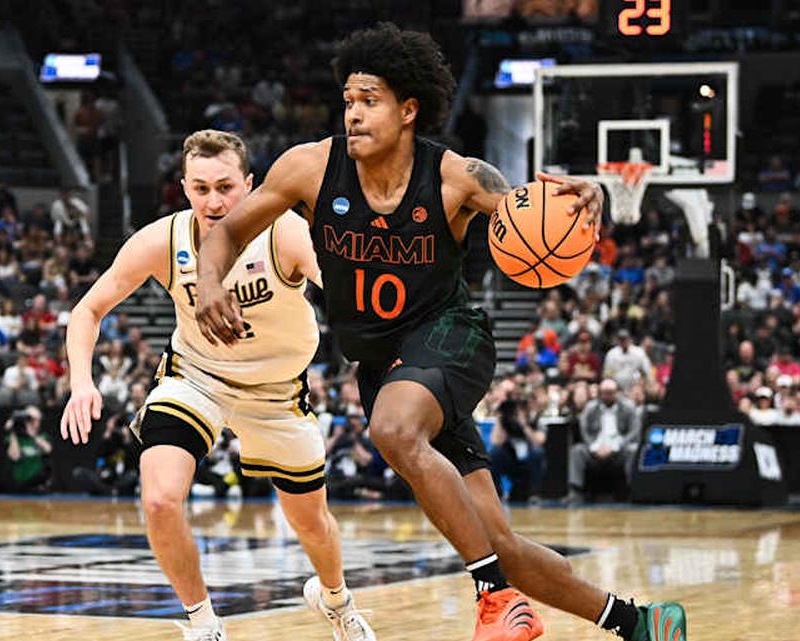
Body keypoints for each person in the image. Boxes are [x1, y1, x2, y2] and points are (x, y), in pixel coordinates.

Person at [194, 23, 684, 641]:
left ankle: (492, 600)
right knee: (495, 537)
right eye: (348, 100)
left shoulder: (457, 177)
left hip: (450, 337)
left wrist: (584, 197)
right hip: (386, 367)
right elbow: (228, 232)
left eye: (369, 100)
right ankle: (640, 622)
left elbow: (529, 210)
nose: (353, 113)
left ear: (408, 109)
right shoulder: (309, 168)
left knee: (393, 429)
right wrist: (210, 282)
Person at [59, 130, 375, 641]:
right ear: (184, 188)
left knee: (312, 522)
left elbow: (348, 293)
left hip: (276, 394)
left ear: (250, 185)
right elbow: (87, 310)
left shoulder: (284, 233)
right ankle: (203, 624)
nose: (214, 200)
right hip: (196, 377)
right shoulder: (163, 239)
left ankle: (336, 600)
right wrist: (80, 381)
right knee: (160, 499)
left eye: (226, 187)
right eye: (201, 188)